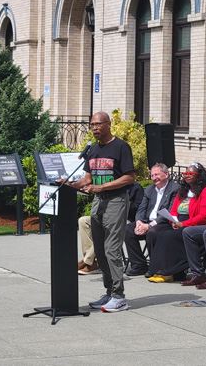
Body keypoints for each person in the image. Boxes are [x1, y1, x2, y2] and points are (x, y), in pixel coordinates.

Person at [68, 112, 135, 313]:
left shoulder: (121, 147)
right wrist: (69, 184)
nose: (95, 128)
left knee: (112, 249)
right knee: (100, 249)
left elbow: (129, 177)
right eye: (92, 125)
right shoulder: (93, 149)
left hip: (116, 201)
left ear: (108, 124)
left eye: (99, 124)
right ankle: (108, 291)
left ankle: (119, 296)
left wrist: (103, 187)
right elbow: (87, 178)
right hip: (99, 202)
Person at [147, 162, 206, 283]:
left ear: (199, 175)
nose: (187, 175)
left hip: (196, 225)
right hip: (178, 222)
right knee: (154, 232)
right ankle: (156, 269)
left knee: (167, 236)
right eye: (185, 173)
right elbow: (174, 210)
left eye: (191, 173)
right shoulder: (183, 191)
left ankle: (169, 272)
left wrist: (183, 224)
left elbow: (204, 216)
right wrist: (173, 220)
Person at [124, 163, 179, 276]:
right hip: (147, 221)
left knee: (152, 232)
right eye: (152, 175)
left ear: (166, 174)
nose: (154, 178)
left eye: (157, 174)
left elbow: (169, 211)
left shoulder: (175, 189)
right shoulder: (149, 189)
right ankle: (139, 265)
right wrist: (139, 222)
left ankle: (155, 267)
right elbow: (141, 208)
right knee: (128, 229)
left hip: (164, 223)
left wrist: (149, 226)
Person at [78, 183, 143, 275]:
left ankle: (88, 262)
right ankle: (92, 261)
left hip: (125, 219)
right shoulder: (109, 185)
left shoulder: (136, 188)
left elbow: (138, 207)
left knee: (106, 226)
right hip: (105, 216)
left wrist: (120, 205)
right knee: (83, 220)